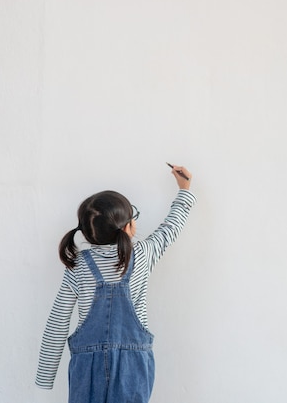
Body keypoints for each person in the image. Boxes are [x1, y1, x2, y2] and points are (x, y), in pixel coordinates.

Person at [35, 164, 195, 403]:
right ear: (129, 226)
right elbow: (171, 227)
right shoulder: (142, 254)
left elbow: (57, 321)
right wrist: (185, 189)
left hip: (86, 368)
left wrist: (45, 376)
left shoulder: (77, 267)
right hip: (134, 367)